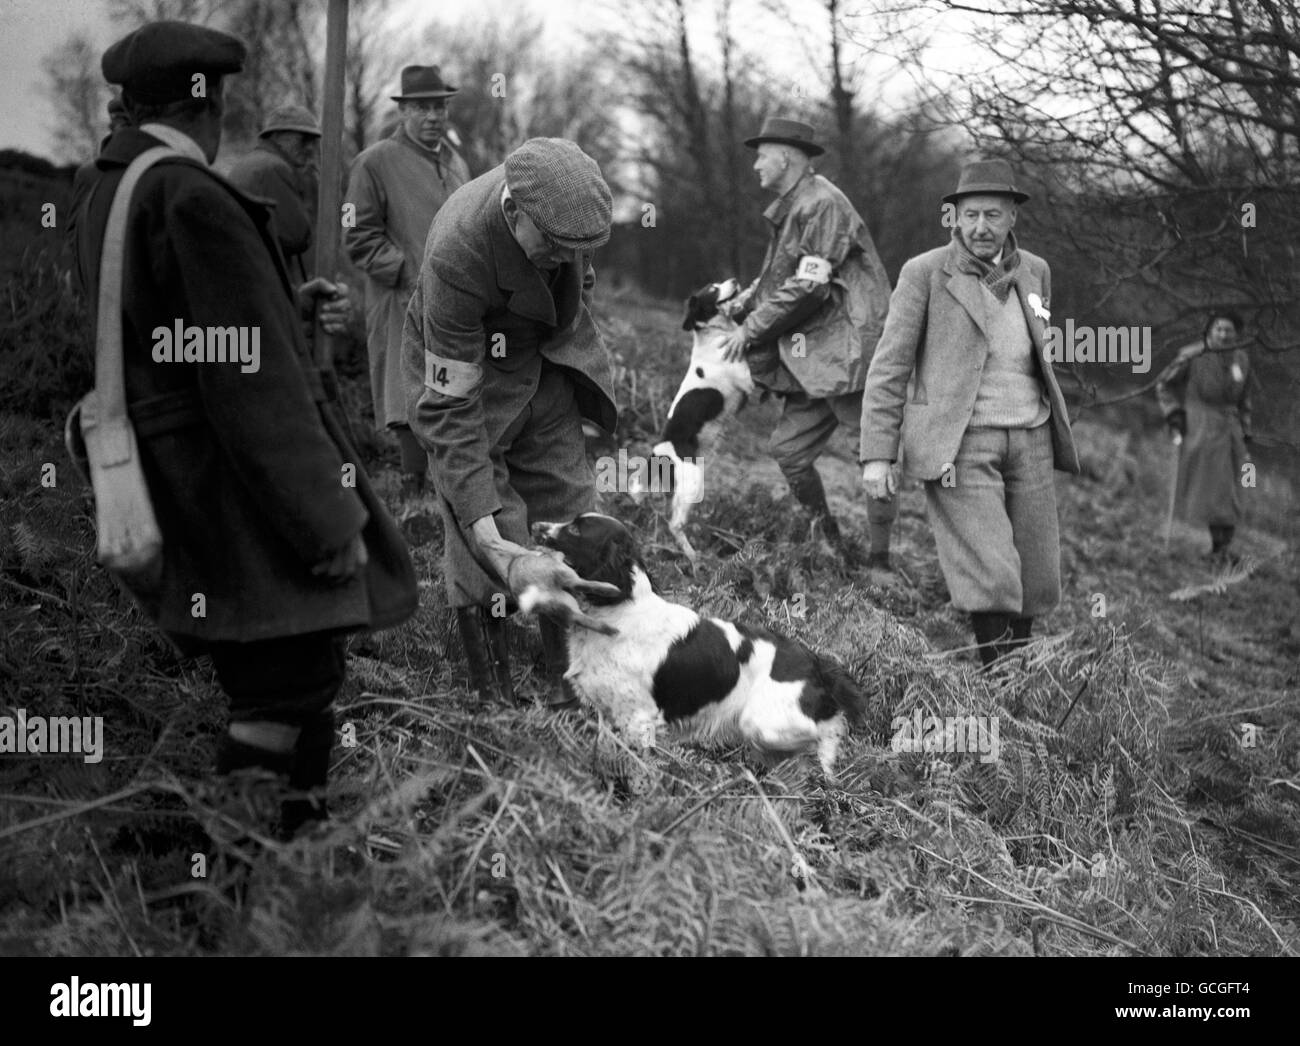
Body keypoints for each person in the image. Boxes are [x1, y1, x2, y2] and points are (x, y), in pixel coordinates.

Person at [73, 20, 418, 833]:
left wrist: (283, 309)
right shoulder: (191, 194)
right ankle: (228, 882)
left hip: (180, 475)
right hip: (240, 485)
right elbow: (250, 384)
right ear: (213, 102)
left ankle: (292, 868)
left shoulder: (108, 191)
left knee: (292, 675)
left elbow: (169, 333)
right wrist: (325, 517)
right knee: (286, 680)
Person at [403, 137, 621, 707]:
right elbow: (450, 408)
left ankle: (567, 672)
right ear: (512, 211)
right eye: (552, 247)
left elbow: (579, 275)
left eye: (576, 250)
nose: (566, 258)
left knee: (569, 501)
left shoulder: (564, 208)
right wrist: (482, 528)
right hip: (469, 369)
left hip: (542, 358)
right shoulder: (458, 253)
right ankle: (490, 685)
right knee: (487, 510)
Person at [860, 159, 1080, 665]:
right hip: (959, 443)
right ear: (954, 217)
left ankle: (1016, 676)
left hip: (1031, 437)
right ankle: (999, 680)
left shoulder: (1036, 272)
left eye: (993, 216)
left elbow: (1037, 350)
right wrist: (877, 454)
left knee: (1036, 571)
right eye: (971, 215)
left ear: (1011, 220)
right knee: (990, 568)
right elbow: (889, 366)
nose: (981, 227)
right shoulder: (924, 274)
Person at [718, 117, 894, 571]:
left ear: (786, 158)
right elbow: (784, 277)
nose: (755, 164)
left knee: (874, 459)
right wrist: (742, 303)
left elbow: (809, 286)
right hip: (815, 355)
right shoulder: (795, 204)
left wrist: (751, 328)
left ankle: (880, 561)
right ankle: (829, 538)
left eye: (761, 155)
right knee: (789, 451)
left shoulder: (821, 204)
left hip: (847, 352)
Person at [345, 65, 471, 496]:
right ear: (404, 112)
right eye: (422, 108)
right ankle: (410, 486)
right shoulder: (373, 162)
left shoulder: (456, 163)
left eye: (439, 106)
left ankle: (448, 482)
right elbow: (355, 232)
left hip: (455, 299)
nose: (433, 116)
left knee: (453, 388)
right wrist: (404, 272)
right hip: (400, 299)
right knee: (406, 389)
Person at [1155, 310, 1253, 560]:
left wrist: (1246, 427)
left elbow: (1245, 399)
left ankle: (1223, 545)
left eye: (1228, 330)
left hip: (1231, 430)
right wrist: (1174, 413)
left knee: (1235, 486)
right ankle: (1209, 543)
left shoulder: (1241, 359)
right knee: (1208, 486)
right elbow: (1164, 384)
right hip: (1201, 425)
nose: (1223, 334)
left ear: (1236, 334)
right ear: (1209, 331)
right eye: (1218, 329)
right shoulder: (1192, 354)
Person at [227, 103, 321, 281]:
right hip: (266, 278)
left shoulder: (251, 163)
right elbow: (298, 236)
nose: (309, 148)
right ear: (278, 136)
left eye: (312, 141)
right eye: (303, 138)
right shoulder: (275, 168)